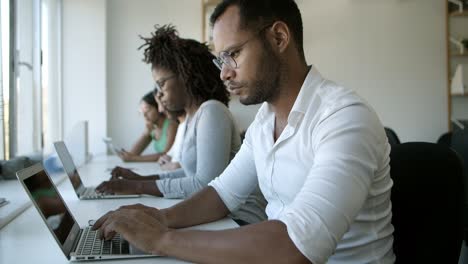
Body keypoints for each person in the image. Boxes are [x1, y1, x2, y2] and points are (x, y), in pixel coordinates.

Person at [93, 1, 395, 263]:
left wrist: (161, 240)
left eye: (233, 54)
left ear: (278, 37)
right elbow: (221, 194)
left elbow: (295, 247)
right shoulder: (264, 122)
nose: (224, 72)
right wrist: (159, 218)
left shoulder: (344, 118)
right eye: (221, 59)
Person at [97, 25, 267, 225]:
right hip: (218, 216)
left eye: (162, 84)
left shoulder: (212, 111)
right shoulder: (192, 118)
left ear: (185, 75)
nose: (159, 94)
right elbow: (190, 173)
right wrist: (140, 180)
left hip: (240, 220)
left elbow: (204, 184)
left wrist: (138, 187)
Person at [118, 91, 178, 162]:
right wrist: (145, 134)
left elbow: (167, 155)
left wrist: (134, 159)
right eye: (142, 111)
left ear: (158, 107)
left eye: (147, 109)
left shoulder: (171, 125)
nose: (144, 115)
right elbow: (133, 153)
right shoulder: (152, 128)